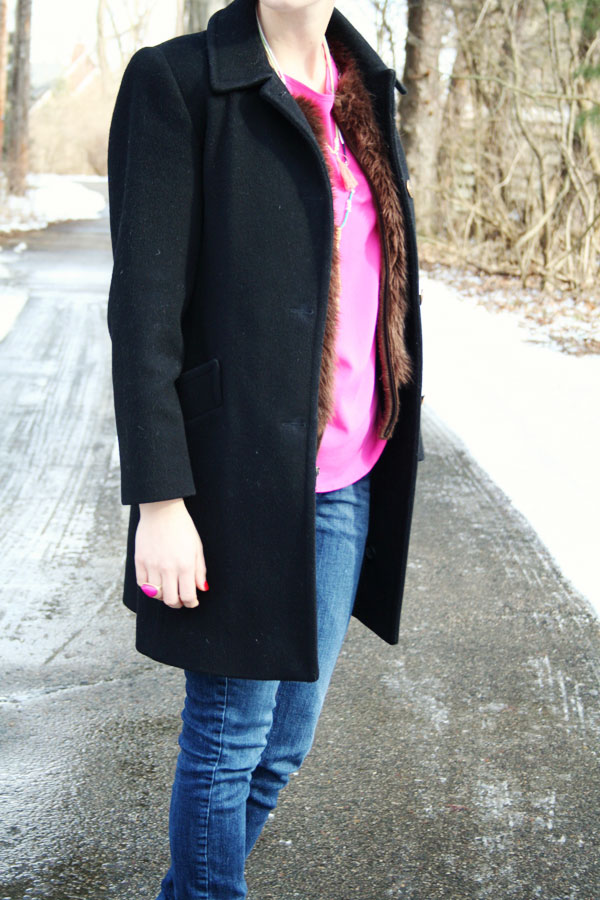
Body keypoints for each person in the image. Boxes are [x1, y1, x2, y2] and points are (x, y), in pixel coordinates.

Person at [106, 0, 423, 896]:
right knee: (227, 742)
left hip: (347, 475)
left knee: (283, 748)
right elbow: (143, 315)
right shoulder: (179, 83)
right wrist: (161, 500)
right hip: (234, 480)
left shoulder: (364, 87)